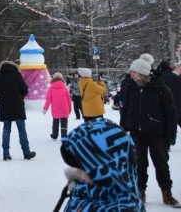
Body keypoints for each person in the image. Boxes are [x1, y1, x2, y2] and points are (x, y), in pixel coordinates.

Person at [120, 54, 180, 207]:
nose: (131, 74)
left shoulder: (161, 88)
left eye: (134, 71)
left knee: (160, 163)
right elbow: (125, 108)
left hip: (156, 131)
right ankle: (140, 191)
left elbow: (171, 113)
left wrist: (171, 135)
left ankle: (167, 192)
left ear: (143, 73)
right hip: (136, 131)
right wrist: (123, 128)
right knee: (139, 163)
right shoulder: (130, 86)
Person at [60, 117, 143, 211]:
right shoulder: (99, 190)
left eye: (83, 168)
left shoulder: (121, 208)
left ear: (105, 169)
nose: (78, 173)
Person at [0, 60, 35, 161]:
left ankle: (6, 153)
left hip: (4, 106)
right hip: (17, 106)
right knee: (22, 129)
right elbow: (25, 89)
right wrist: (19, 97)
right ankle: (26, 152)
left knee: (6, 129)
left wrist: (3, 97)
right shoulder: (17, 75)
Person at [44, 72, 72, 140]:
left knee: (55, 121)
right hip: (64, 108)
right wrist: (70, 109)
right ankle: (64, 136)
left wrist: (45, 108)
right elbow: (69, 99)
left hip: (55, 108)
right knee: (64, 122)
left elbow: (48, 99)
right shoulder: (65, 88)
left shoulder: (51, 88)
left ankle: (54, 135)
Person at [157, 60, 181, 131]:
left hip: (165, 110)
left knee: (168, 133)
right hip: (179, 108)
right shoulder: (177, 78)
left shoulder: (159, 79)